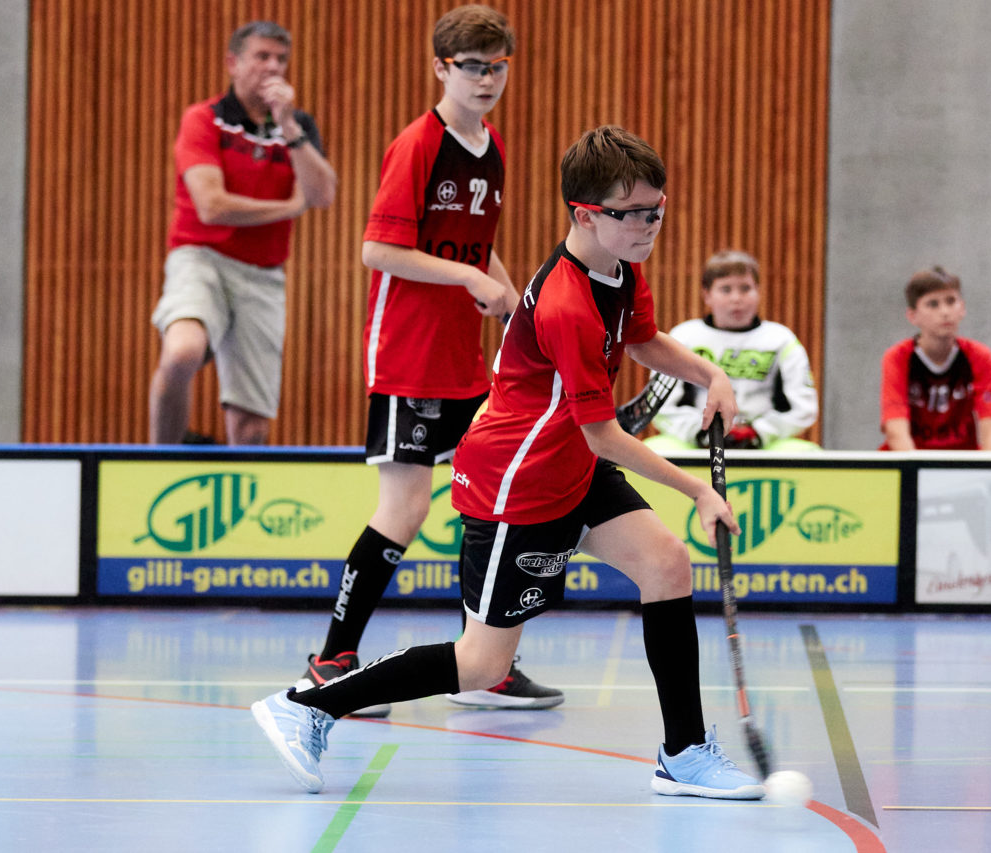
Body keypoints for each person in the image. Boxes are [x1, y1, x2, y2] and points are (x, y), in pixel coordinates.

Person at [251, 125, 765, 801]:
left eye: (656, 211)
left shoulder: (620, 266)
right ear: (586, 213)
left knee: (665, 561)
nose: (651, 226)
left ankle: (685, 752)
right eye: (637, 214)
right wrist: (695, 488)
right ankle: (308, 703)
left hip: (570, 463)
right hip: (516, 485)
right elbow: (605, 433)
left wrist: (709, 373)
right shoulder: (566, 303)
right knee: (480, 661)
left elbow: (640, 339)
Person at [294, 5, 560, 717]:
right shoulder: (418, 144)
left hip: (466, 363)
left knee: (492, 500)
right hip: (408, 357)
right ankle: (332, 659)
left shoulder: (492, 145)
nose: (487, 79)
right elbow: (376, 250)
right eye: (473, 66)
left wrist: (509, 298)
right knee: (405, 508)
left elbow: (476, 247)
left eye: (498, 65)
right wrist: (470, 280)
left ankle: (486, 662)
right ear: (442, 67)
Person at [148, 21, 337, 445]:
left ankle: (240, 498)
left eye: (281, 59)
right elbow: (212, 205)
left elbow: (322, 194)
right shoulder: (205, 119)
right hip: (201, 258)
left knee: (251, 427)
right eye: (262, 57)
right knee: (182, 352)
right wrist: (288, 208)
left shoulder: (298, 127)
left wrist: (288, 125)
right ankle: (158, 462)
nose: (273, 67)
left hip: (264, 274)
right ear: (233, 63)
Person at [646, 250, 819, 452]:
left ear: (759, 292)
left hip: (765, 443)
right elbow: (658, 405)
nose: (736, 298)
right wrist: (701, 431)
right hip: (694, 441)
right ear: (707, 295)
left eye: (745, 289)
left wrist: (759, 432)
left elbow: (804, 407)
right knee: (655, 451)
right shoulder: (683, 337)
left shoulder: (781, 340)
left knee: (807, 454)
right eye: (726, 289)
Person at [879, 266, 991, 450]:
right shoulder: (897, 357)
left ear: (962, 308)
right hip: (911, 462)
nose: (945, 311)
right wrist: (917, 473)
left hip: (961, 464)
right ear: (912, 316)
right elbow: (896, 431)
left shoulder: (980, 356)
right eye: (933, 304)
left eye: (951, 301)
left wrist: (989, 472)